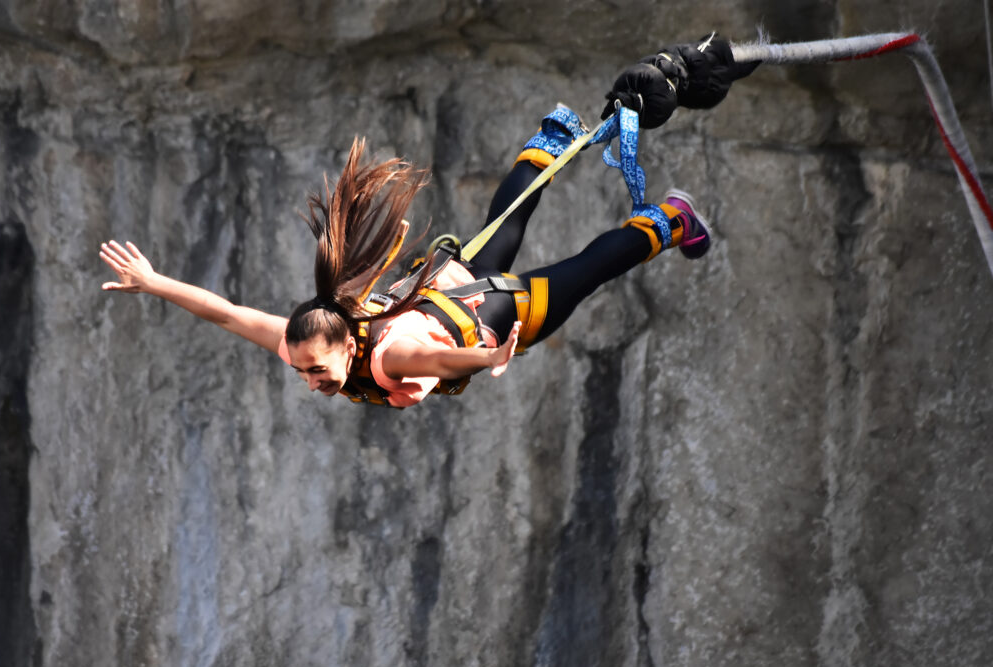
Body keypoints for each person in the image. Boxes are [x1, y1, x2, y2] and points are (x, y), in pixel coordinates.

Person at [100, 35, 754, 408]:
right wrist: (155, 283)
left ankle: (673, 218)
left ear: (347, 346)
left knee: (589, 268)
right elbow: (226, 313)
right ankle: (552, 141)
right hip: (449, 285)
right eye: (302, 372)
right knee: (504, 224)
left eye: (314, 371)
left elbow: (437, 356)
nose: (309, 381)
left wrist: (489, 355)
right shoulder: (319, 334)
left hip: (500, 314)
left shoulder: (388, 355)